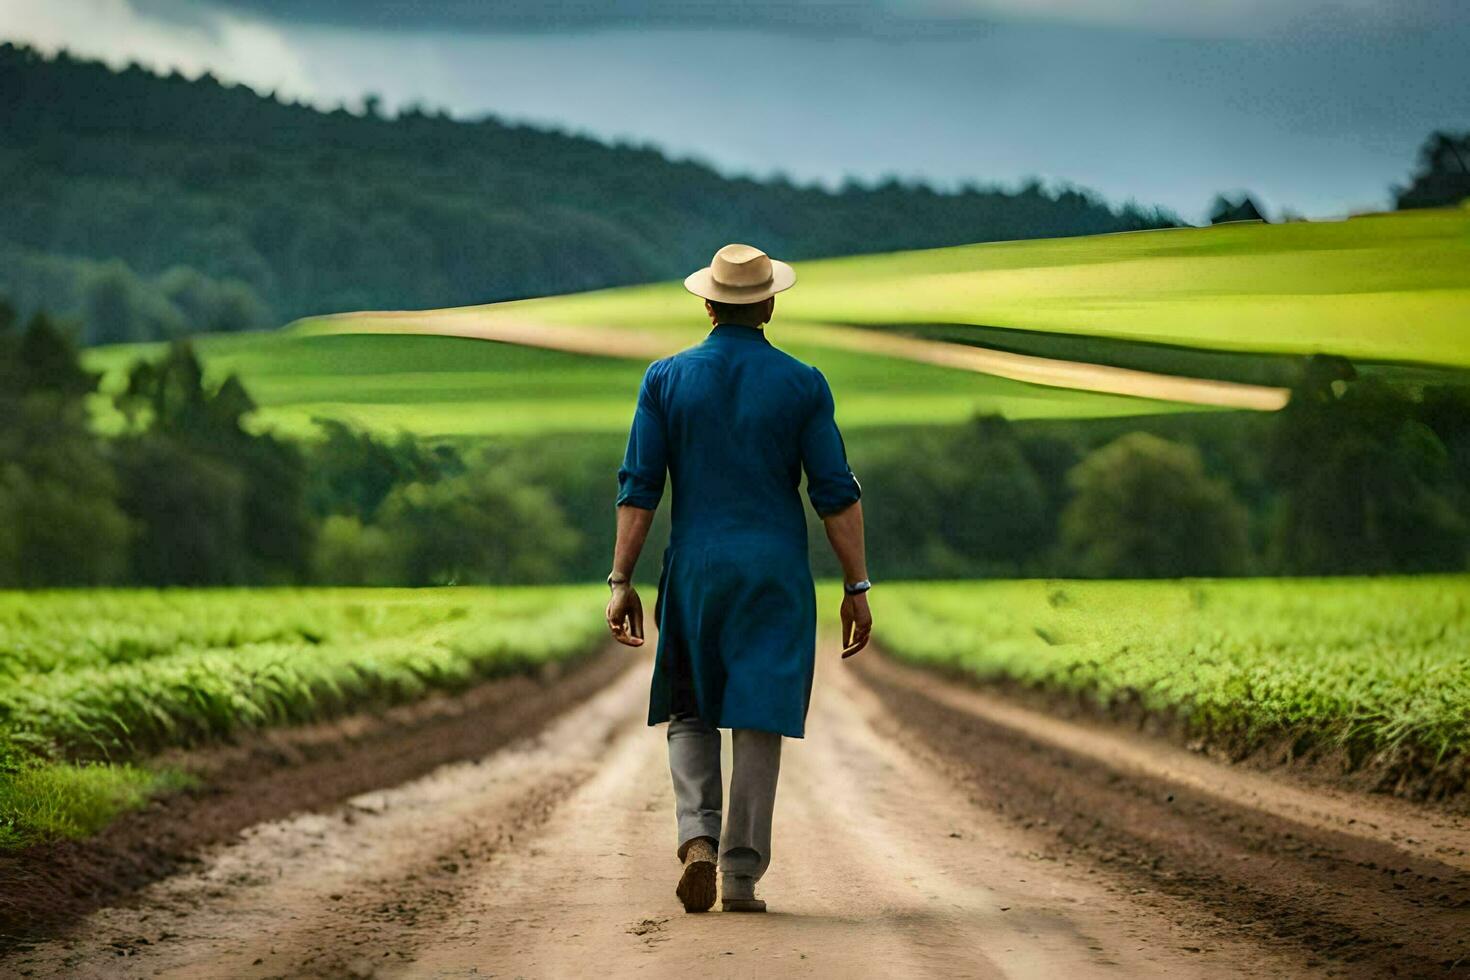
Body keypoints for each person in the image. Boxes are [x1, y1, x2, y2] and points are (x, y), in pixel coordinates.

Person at [605, 242, 873, 914]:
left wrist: (620, 577)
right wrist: (856, 586)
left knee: (690, 707)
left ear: (707, 303)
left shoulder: (665, 379)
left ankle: (697, 835)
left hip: (695, 567)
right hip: (774, 572)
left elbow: (639, 488)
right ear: (770, 304)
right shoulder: (803, 383)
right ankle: (741, 875)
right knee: (757, 715)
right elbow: (835, 492)